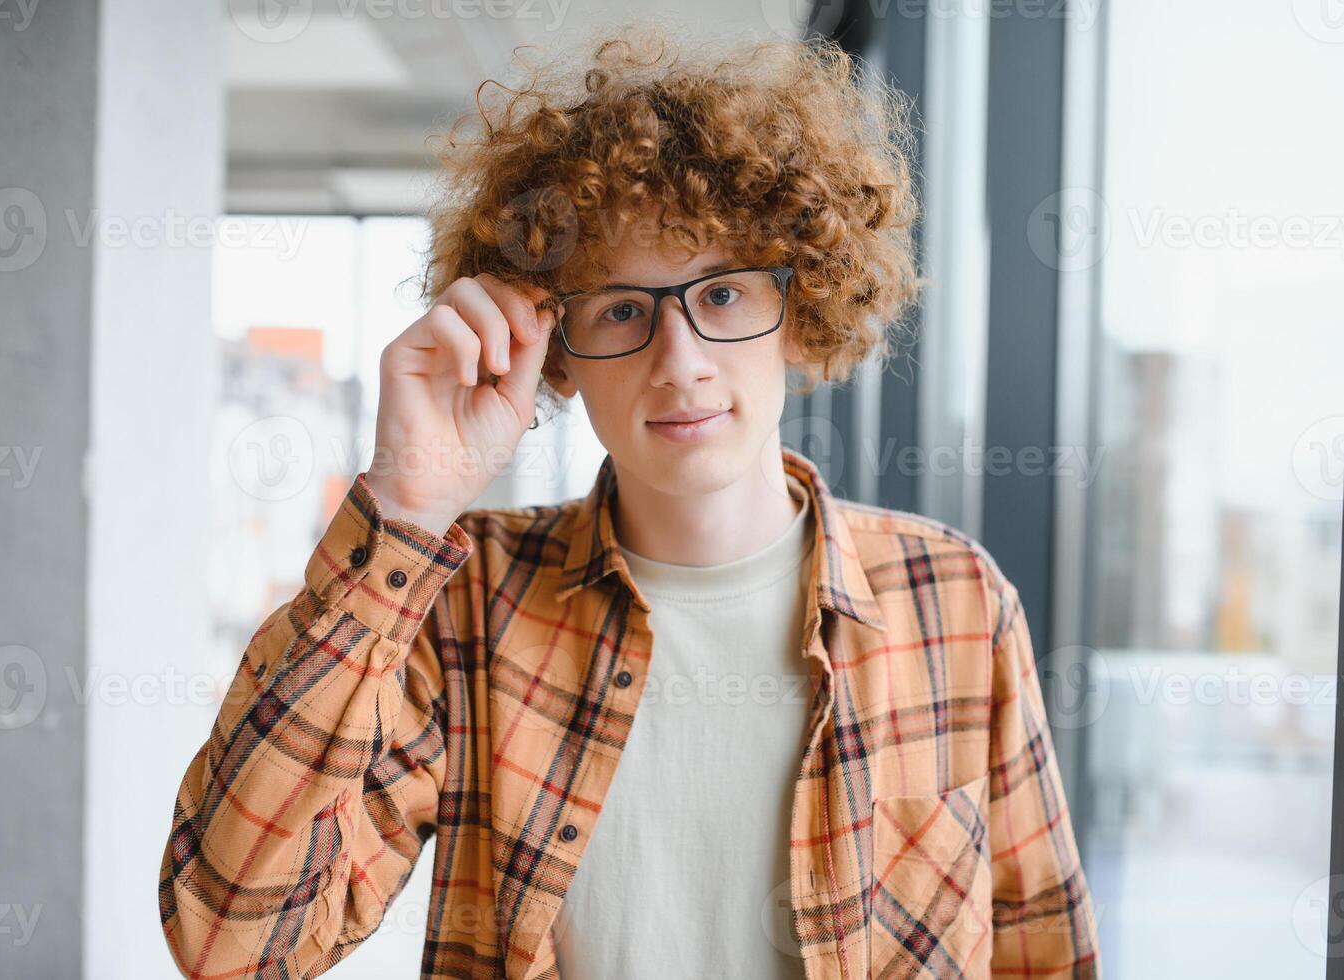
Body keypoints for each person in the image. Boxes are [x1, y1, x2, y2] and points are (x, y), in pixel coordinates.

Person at [158, 23, 1101, 980]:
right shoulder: (470, 604)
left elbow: (1042, 952)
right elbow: (235, 942)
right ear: (551, 346)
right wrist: (406, 504)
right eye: (619, 309)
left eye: (723, 295)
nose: (679, 362)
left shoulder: (953, 601)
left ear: (803, 304)